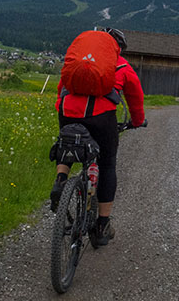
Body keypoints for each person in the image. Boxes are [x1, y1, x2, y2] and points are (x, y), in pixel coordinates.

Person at [50, 27, 145, 247]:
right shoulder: (120, 64)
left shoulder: (79, 61)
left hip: (68, 111)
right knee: (107, 164)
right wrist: (137, 121)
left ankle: (61, 180)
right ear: (118, 47)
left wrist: (62, 110)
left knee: (68, 142)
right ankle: (102, 224)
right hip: (102, 117)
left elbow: (62, 86)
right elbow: (135, 95)